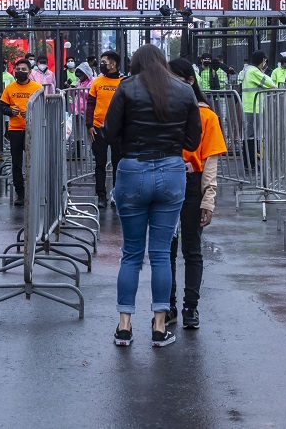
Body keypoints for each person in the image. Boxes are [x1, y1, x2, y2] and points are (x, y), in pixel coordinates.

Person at [103, 45, 200, 348]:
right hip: (171, 170)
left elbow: (108, 131)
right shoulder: (185, 91)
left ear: (134, 64)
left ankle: (124, 327)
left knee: (131, 253)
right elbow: (193, 139)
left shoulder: (126, 88)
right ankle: (159, 327)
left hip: (132, 170)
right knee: (161, 254)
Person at [166, 58, 227, 330]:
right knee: (165, 251)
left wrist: (208, 199)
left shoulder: (207, 116)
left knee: (191, 249)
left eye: (177, 80)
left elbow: (211, 162)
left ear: (190, 80)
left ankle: (190, 307)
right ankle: (167, 305)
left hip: (192, 184)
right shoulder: (160, 111)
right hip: (165, 183)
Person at [0, 59, 43, 206]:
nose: (20, 71)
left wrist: (31, 114)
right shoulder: (9, 88)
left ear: (30, 72)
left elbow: (43, 108)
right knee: (16, 163)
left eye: (23, 69)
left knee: (34, 162)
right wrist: (10, 111)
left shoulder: (38, 88)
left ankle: (36, 191)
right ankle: (20, 192)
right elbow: (2, 107)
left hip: (33, 129)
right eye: (18, 69)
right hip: (15, 130)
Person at [86, 51, 124, 208]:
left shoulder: (124, 82)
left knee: (118, 164)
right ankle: (101, 195)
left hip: (119, 130)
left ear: (113, 64)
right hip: (98, 128)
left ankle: (116, 194)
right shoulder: (96, 82)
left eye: (103, 62)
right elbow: (90, 104)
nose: (101, 64)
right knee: (100, 163)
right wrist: (89, 125)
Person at [240, 51, 275, 169]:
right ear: (262, 60)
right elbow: (270, 83)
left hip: (249, 106)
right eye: (265, 60)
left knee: (249, 135)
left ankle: (249, 162)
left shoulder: (247, 70)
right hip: (254, 107)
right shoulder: (254, 71)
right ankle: (251, 163)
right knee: (251, 136)